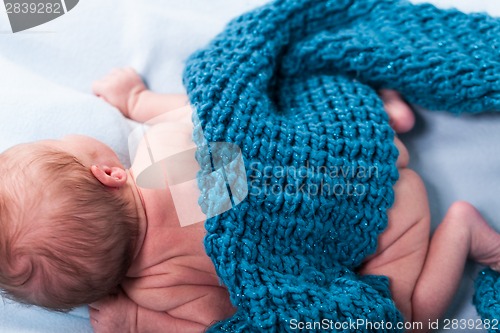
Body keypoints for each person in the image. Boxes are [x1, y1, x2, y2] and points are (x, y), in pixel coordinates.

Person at [0, 68, 498, 333]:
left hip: (387, 223)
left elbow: (225, 319)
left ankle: (463, 230)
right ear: (108, 173)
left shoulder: (158, 289)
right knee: (291, 92)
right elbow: (209, 111)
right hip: (357, 144)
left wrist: (136, 323)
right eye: (63, 141)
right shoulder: (158, 151)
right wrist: (135, 101)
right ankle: (386, 104)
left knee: (402, 318)